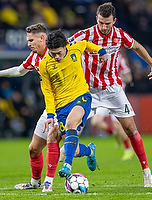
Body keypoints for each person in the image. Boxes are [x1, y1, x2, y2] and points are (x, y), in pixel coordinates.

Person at [67, 2, 152, 187]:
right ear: (96, 19)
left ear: (114, 21)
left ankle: (146, 172)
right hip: (88, 91)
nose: (104, 27)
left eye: (107, 23)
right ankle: (67, 163)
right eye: (101, 22)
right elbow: (65, 46)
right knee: (72, 131)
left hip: (112, 90)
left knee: (130, 129)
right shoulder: (85, 35)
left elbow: (138, 47)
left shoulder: (119, 35)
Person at [0, 23, 61, 192]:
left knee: (57, 143)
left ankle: (49, 184)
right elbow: (19, 71)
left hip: (68, 105)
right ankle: (35, 183)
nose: (28, 43)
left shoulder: (59, 53)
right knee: (34, 149)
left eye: (31, 40)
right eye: (27, 40)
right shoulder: (35, 57)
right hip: (50, 107)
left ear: (42, 38)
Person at [39, 29, 108, 180]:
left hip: (81, 97)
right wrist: (50, 114)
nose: (56, 57)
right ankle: (89, 151)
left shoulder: (75, 47)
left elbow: (87, 45)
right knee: (74, 150)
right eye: (53, 53)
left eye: (59, 52)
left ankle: (67, 166)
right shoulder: (44, 65)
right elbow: (48, 92)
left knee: (71, 123)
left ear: (65, 46)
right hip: (61, 107)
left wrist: (101, 50)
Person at [91, 54, 134, 161]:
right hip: (102, 96)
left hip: (115, 97)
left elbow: (128, 77)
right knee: (95, 122)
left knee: (119, 126)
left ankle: (128, 150)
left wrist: (116, 80)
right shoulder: (97, 57)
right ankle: (113, 133)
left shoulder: (120, 58)